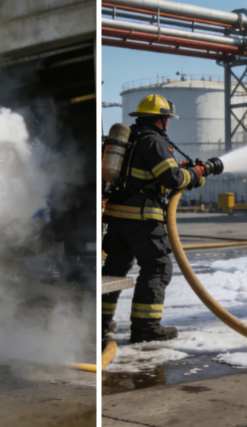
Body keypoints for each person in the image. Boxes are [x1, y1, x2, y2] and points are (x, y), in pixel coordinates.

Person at [102, 94, 205, 344]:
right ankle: (146, 328)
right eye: (167, 118)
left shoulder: (130, 140)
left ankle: (100, 323)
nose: (168, 123)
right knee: (157, 267)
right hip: (143, 219)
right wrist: (197, 173)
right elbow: (173, 179)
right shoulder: (153, 142)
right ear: (161, 119)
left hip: (115, 218)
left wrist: (181, 168)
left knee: (113, 270)